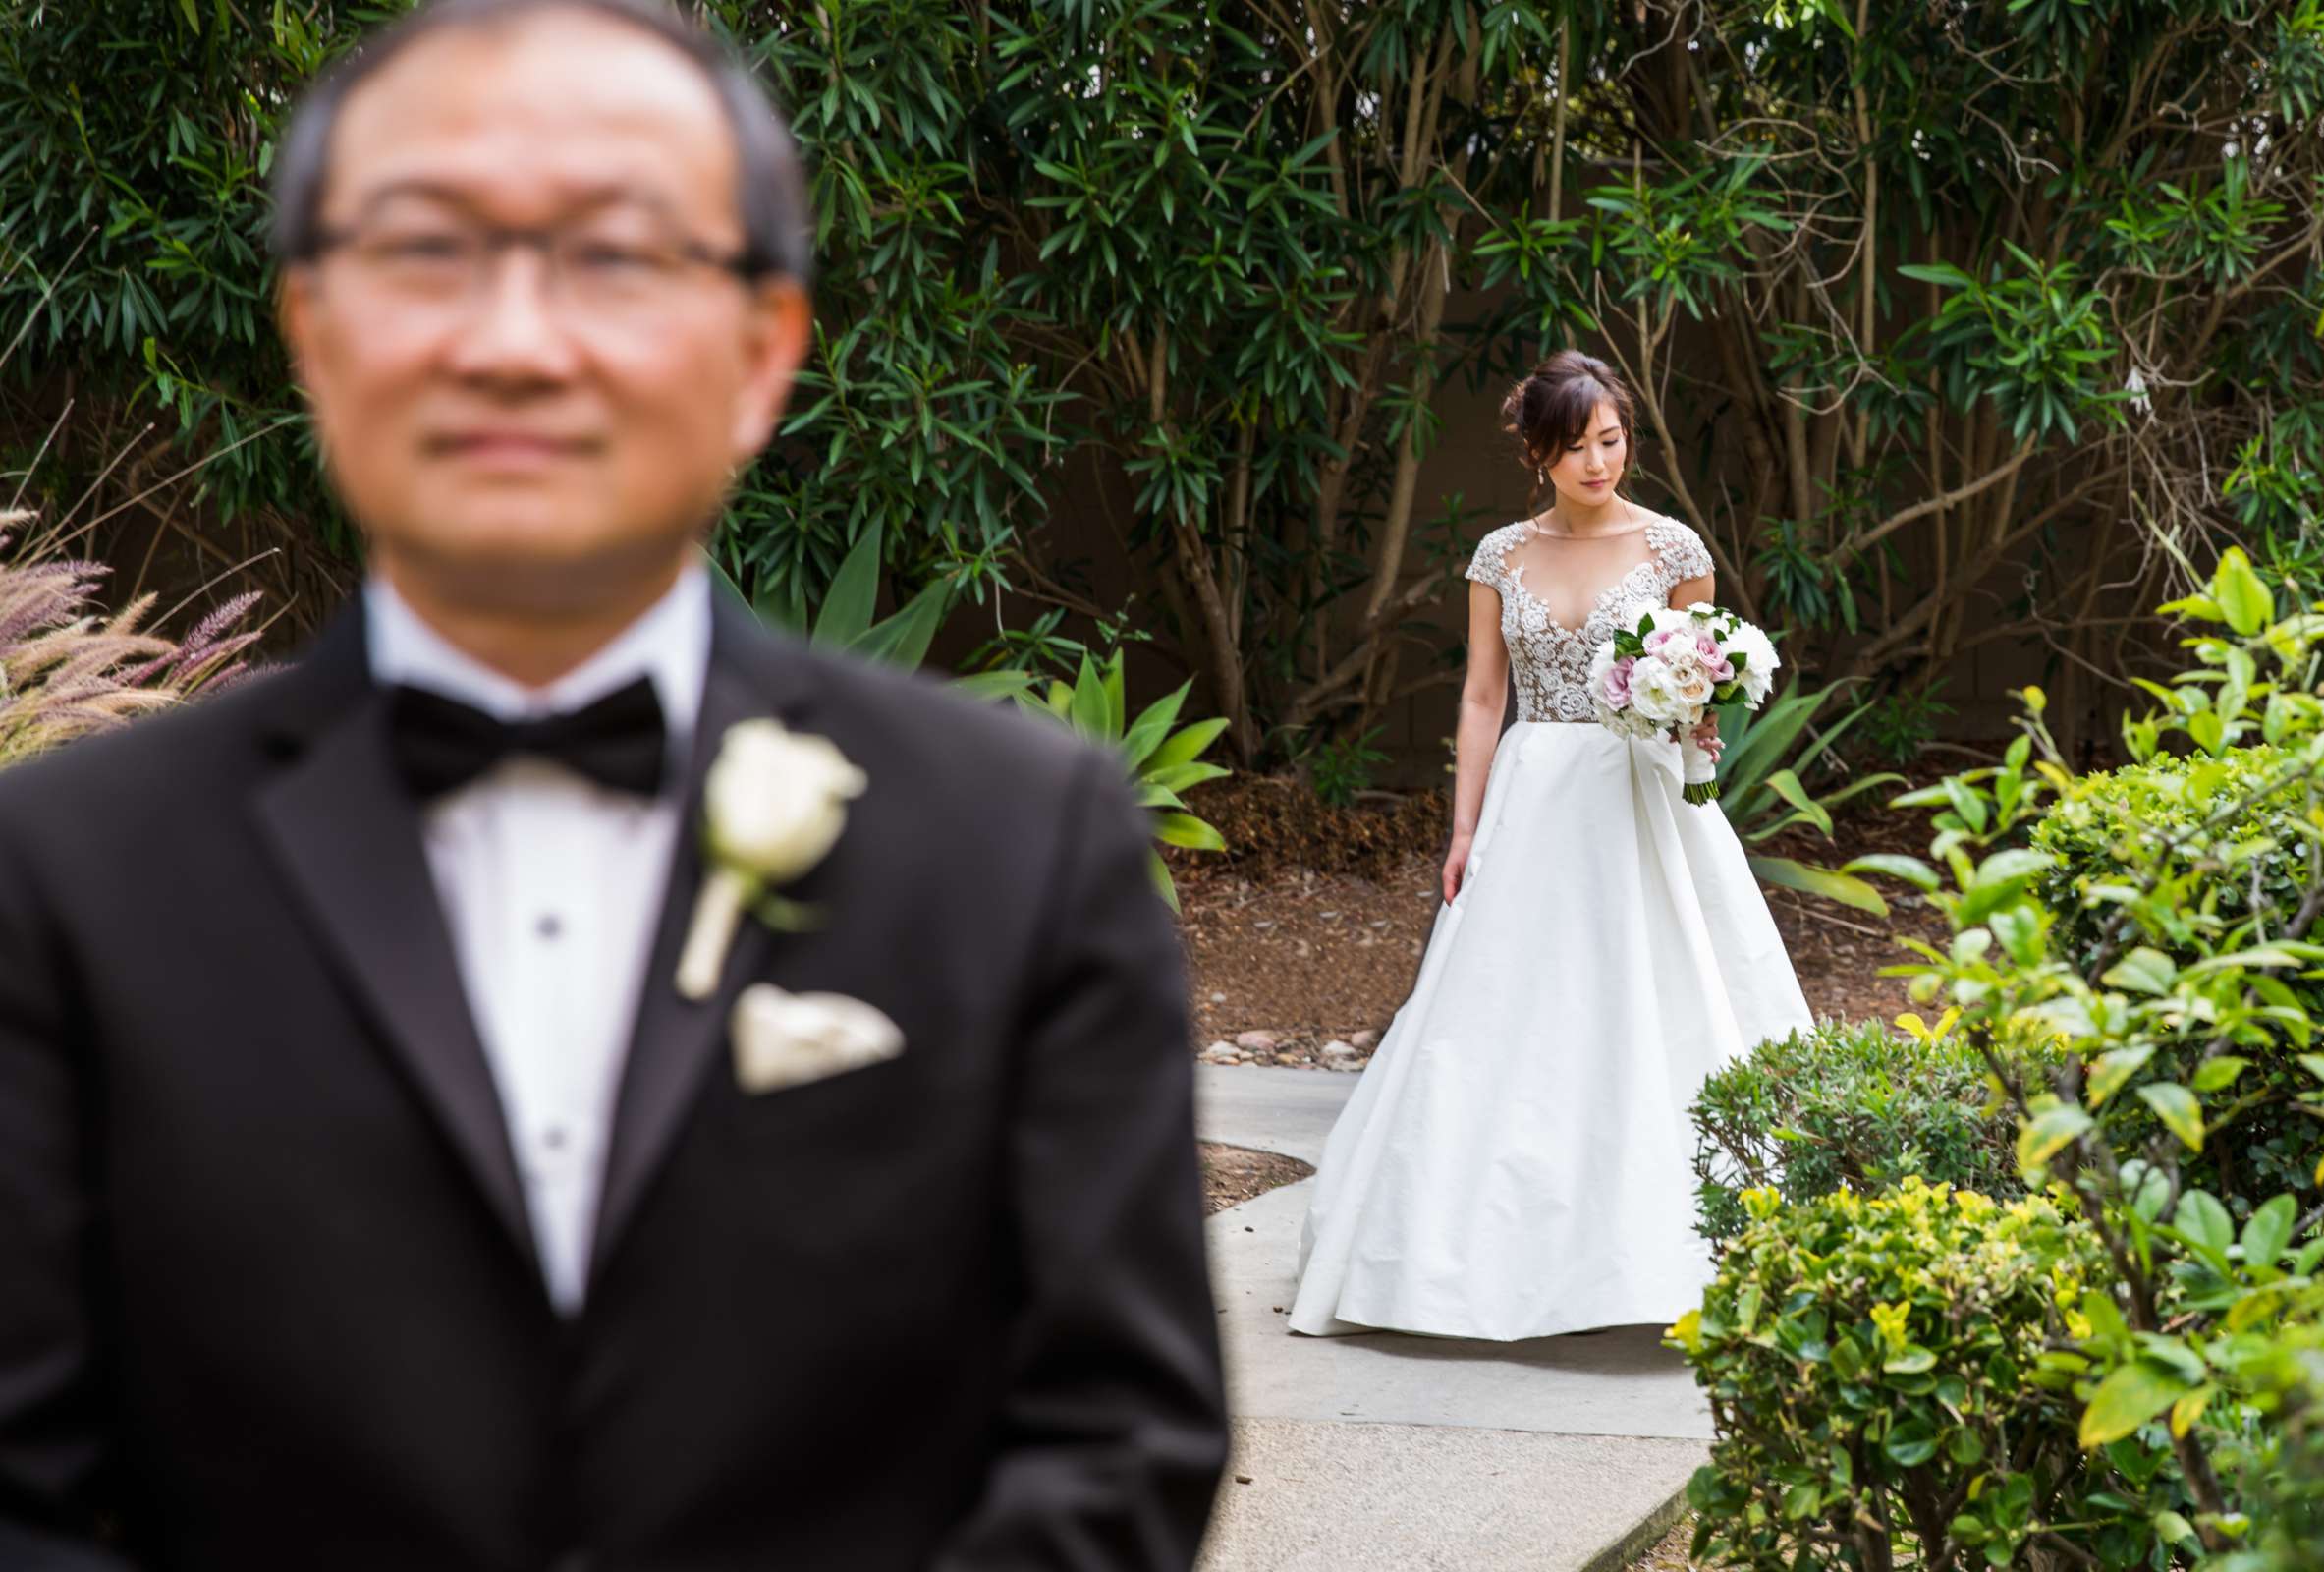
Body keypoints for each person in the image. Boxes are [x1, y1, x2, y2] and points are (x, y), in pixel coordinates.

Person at [0, 3, 1225, 1567]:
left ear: (761, 353)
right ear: (312, 329)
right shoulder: (60, 873)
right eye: (427, 250)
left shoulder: (1020, 839)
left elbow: (1118, 1446)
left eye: (617, 257)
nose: (515, 337)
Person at [1289, 349, 1812, 1342]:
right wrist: (1463, 825)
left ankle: (1678, 1262)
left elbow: (1694, 678)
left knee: (1658, 1006)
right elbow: (1484, 695)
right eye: (1575, 447)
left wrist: (1695, 715)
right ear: (1538, 452)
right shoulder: (1500, 555)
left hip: (1637, 799)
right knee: (1498, 1020)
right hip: (1533, 798)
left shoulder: (1674, 550)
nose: (1598, 462)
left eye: (1610, 441)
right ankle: (1472, 1267)